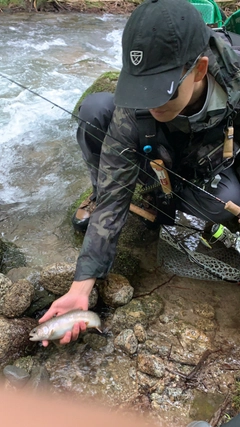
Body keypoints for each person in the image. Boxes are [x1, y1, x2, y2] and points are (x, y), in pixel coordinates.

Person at [39, 0, 240, 346]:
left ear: (199, 69)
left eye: (161, 91)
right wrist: (81, 284)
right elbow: (116, 190)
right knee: (95, 110)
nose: (149, 103)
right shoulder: (137, 107)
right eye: (141, 89)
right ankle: (152, 199)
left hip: (213, 164)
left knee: (226, 203)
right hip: (156, 158)